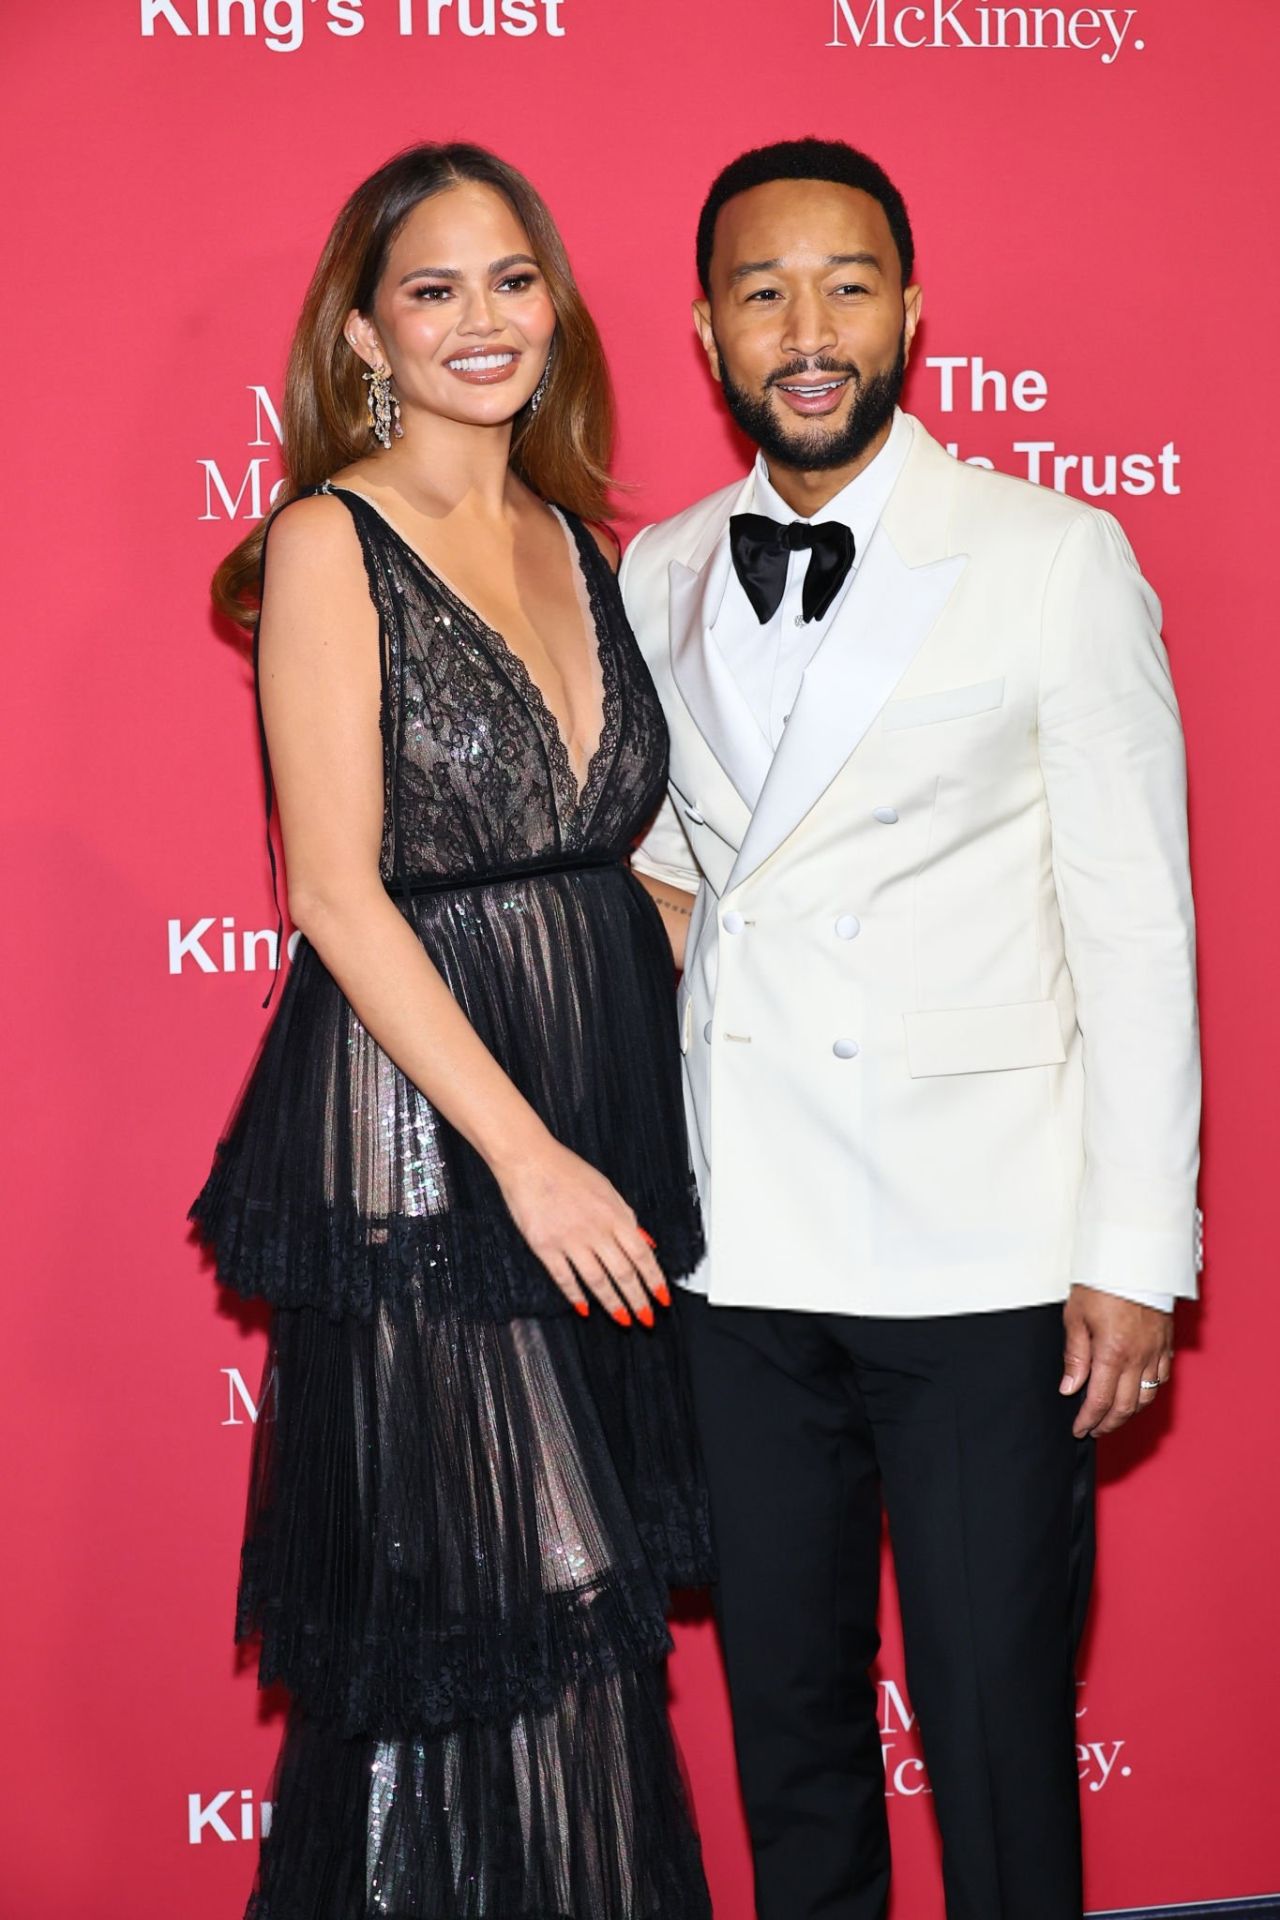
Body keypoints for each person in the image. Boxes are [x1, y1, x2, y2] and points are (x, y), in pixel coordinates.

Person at [624, 137, 1201, 1920]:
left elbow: (1134, 917)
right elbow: (665, 876)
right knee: (790, 1733)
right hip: (746, 1256)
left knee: (996, 1732)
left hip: (982, 1250)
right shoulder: (656, 573)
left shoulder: (1049, 557)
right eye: (764, 291)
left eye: (848, 285)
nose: (810, 329)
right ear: (710, 332)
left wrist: (1133, 1251)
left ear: (913, 311)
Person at [190, 141, 713, 1920]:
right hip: (442, 1147)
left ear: (555, 309)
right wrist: (533, 1161)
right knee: (513, 1630)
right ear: (365, 331)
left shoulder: (579, 539)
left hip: (594, 1111)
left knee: (562, 1630)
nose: (480, 320)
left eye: (511, 280)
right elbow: (339, 894)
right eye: (434, 289)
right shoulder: (333, 540)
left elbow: (601, 868)